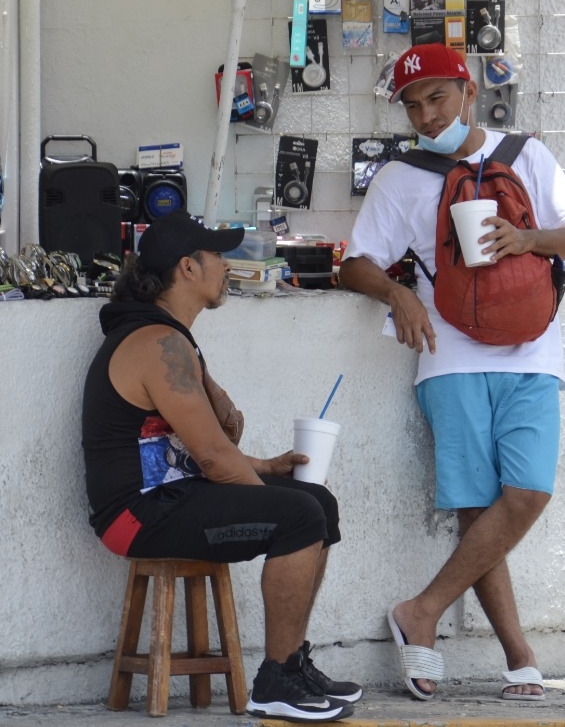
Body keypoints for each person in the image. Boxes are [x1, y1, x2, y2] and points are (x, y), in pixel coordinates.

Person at [338, 43, 565, 703]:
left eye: (437, 98)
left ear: (469, 89)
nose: (426, 115)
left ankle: (420, 609)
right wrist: (396, 292)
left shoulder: (526, 156)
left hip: (532, 349)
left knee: (528, 492)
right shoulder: (400, 177)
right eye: (413, 106)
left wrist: (527, 238)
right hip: (449, 354)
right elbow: (356, 262)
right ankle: (518, 653)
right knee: (479, 507)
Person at [81, 212, 360, 722]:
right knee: (300, 513)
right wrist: (268, 496)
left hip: (170, 495)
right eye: (218, 257)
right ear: (187, 267)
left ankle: (293, 664)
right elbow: (211, 457)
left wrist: (263, 468)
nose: (228, 266)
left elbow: (199, 445)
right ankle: (275, 682)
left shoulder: (171, 339)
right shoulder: (157, 343)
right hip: (137, 515)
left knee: (317, 500)